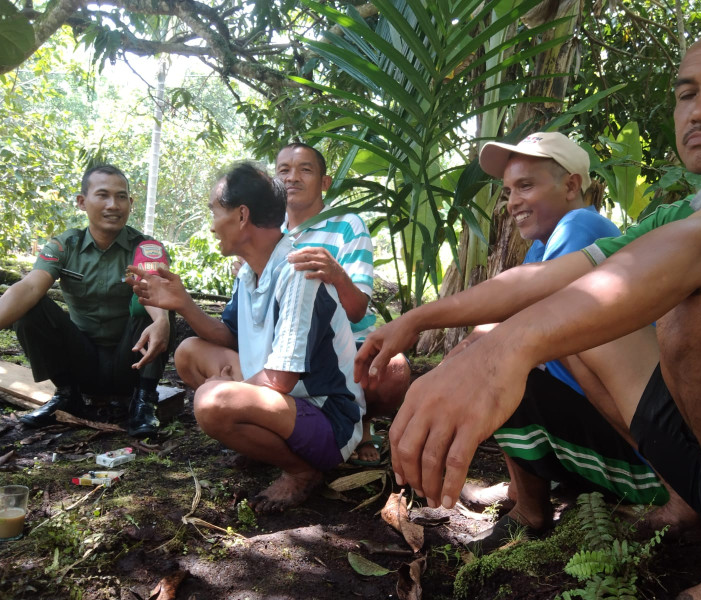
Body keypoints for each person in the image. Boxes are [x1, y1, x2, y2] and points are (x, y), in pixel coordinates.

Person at [356, 20, 701, 599]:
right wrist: (416, 320)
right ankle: (689, 499)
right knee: (579, 318)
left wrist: (503, 350)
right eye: (687, 92)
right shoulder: (692, 210)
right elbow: (544, 281)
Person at [449, 132, 668, 550]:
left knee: (501, 363)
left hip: (648, 459)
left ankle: (530, 507)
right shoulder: (541, 249)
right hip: (625, 437)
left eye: (526, 186)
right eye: (509, 190)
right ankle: (522, 491)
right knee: (493, 354)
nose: (512, 201)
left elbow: (530, 322)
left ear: (571, 185)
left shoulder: (581, 225)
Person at [129, 163, 366, 512]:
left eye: (215, 211)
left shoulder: (297, 272)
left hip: (327, 419)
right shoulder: (251, 273)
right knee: (189, 352)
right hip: (285, 401)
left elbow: (282, 379)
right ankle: (263, 445)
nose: (212, 226)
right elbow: (228, 336)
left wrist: (233, 390)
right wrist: (182, 303)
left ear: (242, 215)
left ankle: (302, 470)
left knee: (212, 402)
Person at [0, 164, 172, 437]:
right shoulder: (64, 245)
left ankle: (144, 400)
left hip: (130, 361)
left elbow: (153, 290)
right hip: (80, 360)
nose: (113, 205)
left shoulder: (145, 247)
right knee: (30, 309)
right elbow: (31, 286)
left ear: (130, 202)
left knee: (157, 308)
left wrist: (162, 320)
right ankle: (68, 395)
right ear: (82, 202)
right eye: (102, 195)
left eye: (121, 196)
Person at [276, 143, 410, 465]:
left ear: (325, 182)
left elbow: (357, 310)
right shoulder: (268, 231)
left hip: (345, 342)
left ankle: (362, 424)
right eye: (284, 170)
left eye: (305, 169)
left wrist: (336, 273)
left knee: (393, 369)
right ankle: (279, 429)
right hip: (287, 341)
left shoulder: (348, 225)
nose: (292, 178)